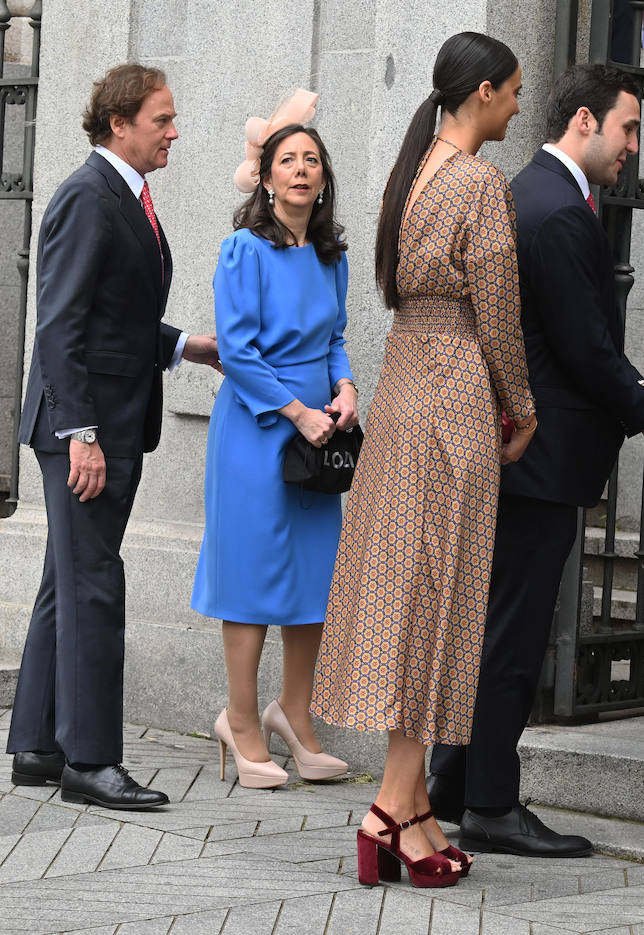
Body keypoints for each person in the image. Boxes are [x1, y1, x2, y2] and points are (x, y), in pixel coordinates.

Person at [425, 63, 644, 857]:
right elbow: (579, 346)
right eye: (630, 129)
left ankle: (453, 781)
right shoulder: (553, 208)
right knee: (512, 632)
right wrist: (643, 406)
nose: (636, 149)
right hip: (537, 463)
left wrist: (637, 390)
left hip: (528, 455)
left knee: (496, 623)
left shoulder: (539, 196)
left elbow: (558, 339)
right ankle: (492, 805)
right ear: (584, 120)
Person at [311, 32, 536, 888]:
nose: (519, 104)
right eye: (513, 91)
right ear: (481, 92)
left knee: (415, 599)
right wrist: (523, 405)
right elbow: (500, 313)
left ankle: (405, 808)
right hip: (451, 396)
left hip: (407, 384)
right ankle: (389, 813)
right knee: (440, 603)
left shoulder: (417, 170)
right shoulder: (478, 181)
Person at [6, 64, 220, 810]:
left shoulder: (121, 195)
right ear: (119, 122)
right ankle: (90, 761)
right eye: (162, 118)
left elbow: (112, 315)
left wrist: (186, 344)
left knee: (68, 579)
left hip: (100, 417)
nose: (173, 131)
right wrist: (82, 433)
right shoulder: (85, 195)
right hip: (83, 426)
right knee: (96, 583)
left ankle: (36, 744)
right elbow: (60, 324)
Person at [191, 95, 353, 791]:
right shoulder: (241, 251)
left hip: (319, 430)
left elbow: (337, 339)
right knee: (253, 578)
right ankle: (240, 717)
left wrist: (344, 391)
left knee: (314, 580)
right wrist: (297, 411)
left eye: (310, 160)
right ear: (265, 177)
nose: (299, 170)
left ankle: (295, 711)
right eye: (286, 159)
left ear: (323, 178)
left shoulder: (330, 254)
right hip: (259, 429)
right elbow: (238, 350)